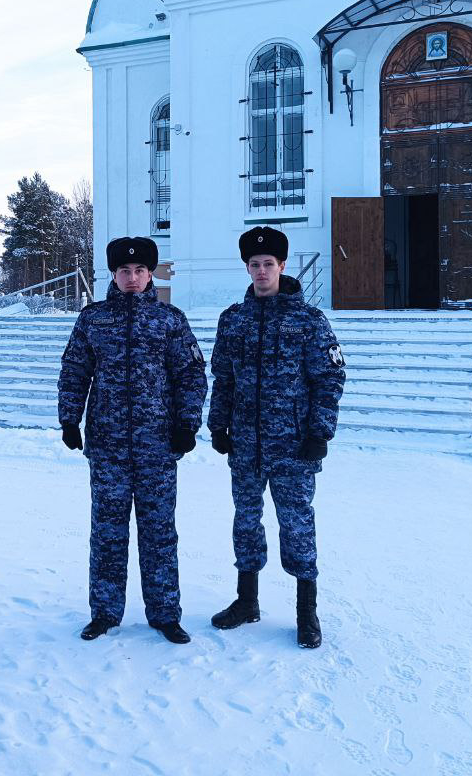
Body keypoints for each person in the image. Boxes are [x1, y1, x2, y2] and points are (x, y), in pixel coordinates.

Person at [58, 236, 208, 644]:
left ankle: (165, 613)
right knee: (107, 531)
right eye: (125, 271)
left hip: (157, 446)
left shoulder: (170, 320)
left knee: (159, 532)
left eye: (140, 270)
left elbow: (191, 374)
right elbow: (74, 370)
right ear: (113, 273)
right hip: (107, 446)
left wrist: (186, 423)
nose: (132, 277)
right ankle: (104, 612)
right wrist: (70, 419)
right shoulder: (93, 319)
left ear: (150, 274)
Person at [207, 228, 345, 648]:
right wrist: (218, 425)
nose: (262, 271)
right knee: (246, 521)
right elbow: (223, 378)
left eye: (269, 264)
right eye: (255, 264)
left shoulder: (309, 320)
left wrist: (320, 433)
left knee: (297, 524)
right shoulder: (234, 319)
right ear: (246, 268)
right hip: (246, 445)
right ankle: (246, 601)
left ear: (282, 267)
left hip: (294, 446)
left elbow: (330, 377)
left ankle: (307, 614)